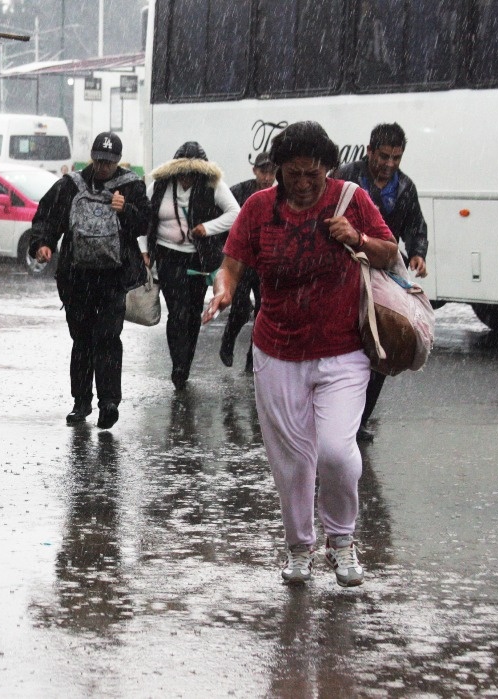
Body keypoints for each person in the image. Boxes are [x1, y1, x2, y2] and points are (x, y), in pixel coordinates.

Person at [202, 121, 398, 587]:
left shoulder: (351, 198)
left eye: (313, 173)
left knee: (336, 451)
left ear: (327, 168)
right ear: (279, 170)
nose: (305, 183)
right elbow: (231, 265)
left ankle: (343, 539)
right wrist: (224, 292)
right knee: (291, 461)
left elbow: (389, 252)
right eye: (294, 174)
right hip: (277, 350)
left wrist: (358, 239)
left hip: (342, 350)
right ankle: (299, 547)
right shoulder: (258, 208)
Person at [29, 132, 149, 429]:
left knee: (108, 339)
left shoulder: (131, 187)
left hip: (113, 279)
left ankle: (109, 403)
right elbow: (46, 217)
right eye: (98, 160)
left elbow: (145, 224)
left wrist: (127, 211)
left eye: (109, 162)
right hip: (76, 279)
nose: (103, 166)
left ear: (118, 161)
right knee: (81, 341)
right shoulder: (70, 186)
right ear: (92, 157)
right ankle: (81, 403)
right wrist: (42, 244)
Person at [333, 122, 429, 443]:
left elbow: (416, 224)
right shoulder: (346, 177)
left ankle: (359, 421)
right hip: (346, 271)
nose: (389, 164)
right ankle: (336, 418)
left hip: (383, 272)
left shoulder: (404, 187)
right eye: (383, 156)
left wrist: (417, 253)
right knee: (346, 346)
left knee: (381, 345)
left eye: (396, 158)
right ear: (369, 151)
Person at [141, 141, 239, 390]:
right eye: (182, 171)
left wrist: (208, 228)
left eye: (192, 172)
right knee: (177, 311)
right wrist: (144, 250)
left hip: (199, 258)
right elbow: (143, 218)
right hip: (167, 256)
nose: (186, 176)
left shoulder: (212, 186)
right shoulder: (160, 186)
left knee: (193, 311)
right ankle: (178, 365)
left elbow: (234, 213)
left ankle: (186, 361)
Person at [220, 151, 276, 371]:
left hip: (267, 263)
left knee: (264, 312)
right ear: (255, 171)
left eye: (272, 172)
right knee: (241, 307)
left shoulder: (281, 195)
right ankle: (228, 340)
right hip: (243, 261)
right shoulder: (238, 192)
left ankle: (253, 359)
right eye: (264, 172)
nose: (267, 178)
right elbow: (222, 218)